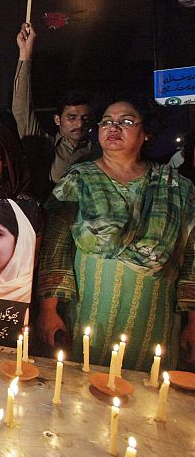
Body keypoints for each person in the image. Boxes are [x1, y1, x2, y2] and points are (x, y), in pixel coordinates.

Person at [38, 96, 195, 371]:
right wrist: (48, 311)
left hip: (155, 317)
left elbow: (191, 257)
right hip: (90, 313)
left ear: (146, 133)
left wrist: (193, 321)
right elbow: (56, 249)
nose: (113, 128)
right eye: (107, 122)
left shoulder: (175, 187)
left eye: (126, 122)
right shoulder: (78, 180)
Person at [12, 23, 95, 199]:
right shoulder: (43, 146)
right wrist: (25, 54)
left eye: (85, 118)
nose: (79, 124)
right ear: (58, 119)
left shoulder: (101, 151)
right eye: (71, 118)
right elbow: (21, 107)